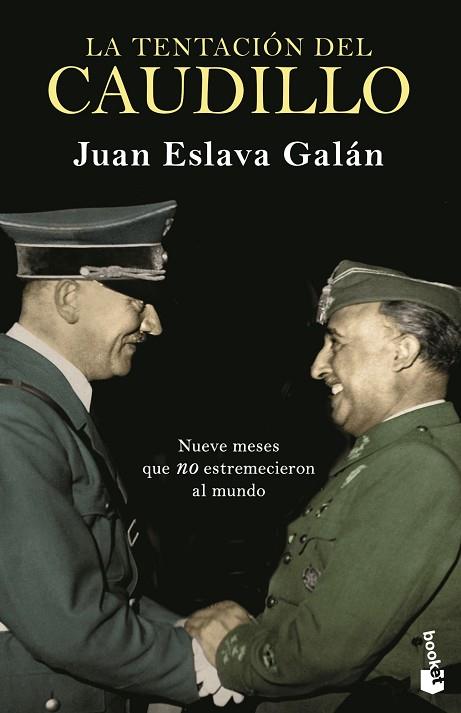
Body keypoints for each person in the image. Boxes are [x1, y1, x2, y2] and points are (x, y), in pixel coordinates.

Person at [186, 259, 461, 713]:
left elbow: (324, 657)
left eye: (336, 343)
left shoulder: (417, 465)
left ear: (402, 351)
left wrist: (233, 646)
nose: (317, 367)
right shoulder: (388, 453)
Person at [0, 202, 242, 713]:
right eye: (138, 301)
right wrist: (209, 666)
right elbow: (67, 624)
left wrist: (183, 627)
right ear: (69, 298)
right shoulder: (13, 418)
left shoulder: (46, 403)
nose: (154, 325)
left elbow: (100, 586)